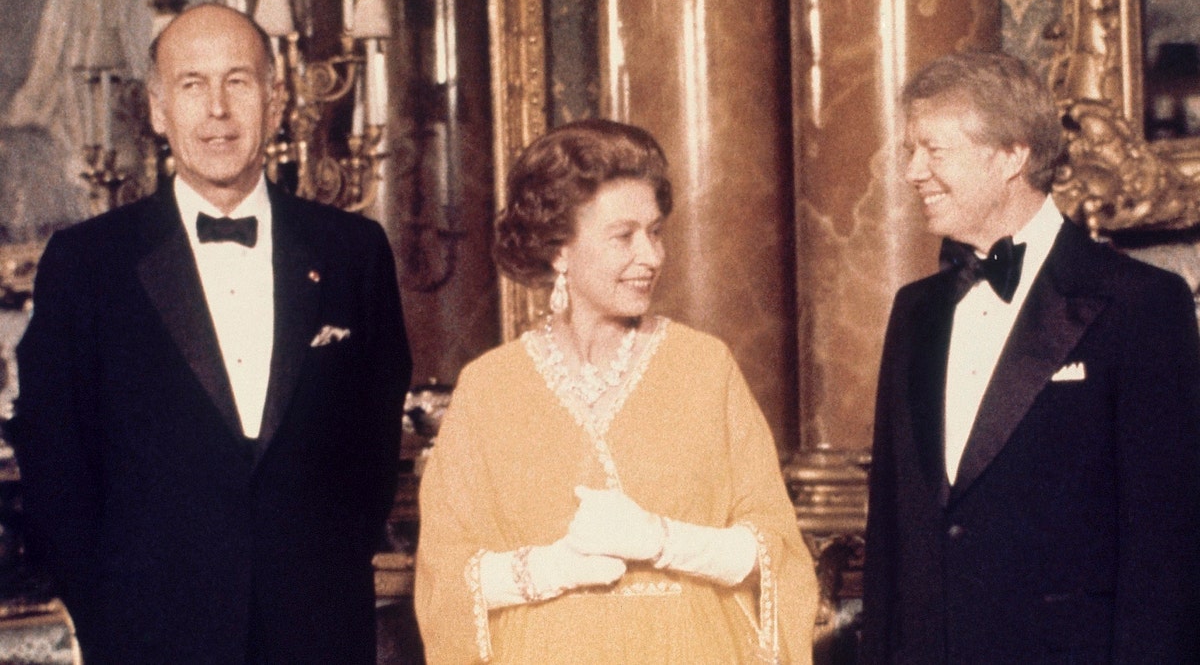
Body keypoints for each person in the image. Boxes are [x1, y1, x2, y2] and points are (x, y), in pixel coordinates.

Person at [6, 4, 411, 664]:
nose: (217, 111)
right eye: (192, 85)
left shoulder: (353, 252)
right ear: (159, 110)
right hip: (150, 638)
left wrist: (321, 573)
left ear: (275, 101)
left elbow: (371, 451)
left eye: (239, 82)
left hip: (319, 631)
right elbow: (55, 464)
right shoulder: (87, 264)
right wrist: (106, 614)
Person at [414, 118, 818, 663]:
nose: (651, 256)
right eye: (623, 236)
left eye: (655, 232)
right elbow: (445, 575)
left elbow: (775, 552)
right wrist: (551, 567)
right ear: (558, 250)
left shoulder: (703, 366)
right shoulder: (489, 387)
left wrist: (661, 539)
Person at [861, 50, 1200, 663]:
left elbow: (1166, 547)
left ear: (1012, 155)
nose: (913, 171)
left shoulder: (1140, 305)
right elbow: (891, 534)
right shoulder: (915, 310)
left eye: (934, 150)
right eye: (912, 150)